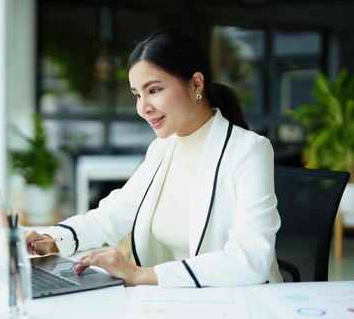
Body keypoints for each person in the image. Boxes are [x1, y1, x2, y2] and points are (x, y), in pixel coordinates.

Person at [26, 26, 283, 287]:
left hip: (238, 303)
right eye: (137, 94)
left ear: (196, 84)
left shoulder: (248, 150)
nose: (143, 107)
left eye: (154, 90)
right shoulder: (162, 149)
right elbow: (113, 214)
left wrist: (141, 275)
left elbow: (250, 260)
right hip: (175, 301)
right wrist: (54, 239)